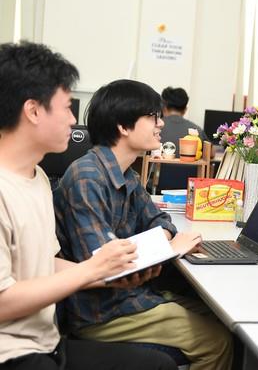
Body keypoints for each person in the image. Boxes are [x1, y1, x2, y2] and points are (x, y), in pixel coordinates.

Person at [0, 42, 175, 370]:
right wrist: (94, 269)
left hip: (48, 342)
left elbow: (45, 264)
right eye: (67, 108)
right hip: (11, 354)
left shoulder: (38, 178)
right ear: (33, 111)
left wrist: (111, 273)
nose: (73, 120)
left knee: (158, 365)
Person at [54, 79, 233, 370]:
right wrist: (167, 247)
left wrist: (164, 240)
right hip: (101, 311)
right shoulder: (87, 177)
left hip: (132, 295)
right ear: (123, 127)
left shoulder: (127, 175)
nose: (161, 123)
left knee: (223, 319)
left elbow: (161, 221)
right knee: (218, 341)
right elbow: (105, 264)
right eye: (153, 116)